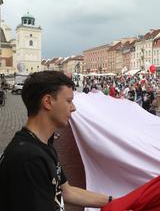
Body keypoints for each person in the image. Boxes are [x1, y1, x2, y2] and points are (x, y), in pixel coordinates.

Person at [0, 71, 113, 211]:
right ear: (48, 102)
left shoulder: (43, 145)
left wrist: (115, 201)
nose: (73, 108)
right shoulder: (28, 159)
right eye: (68, 101)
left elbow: (66, 191)